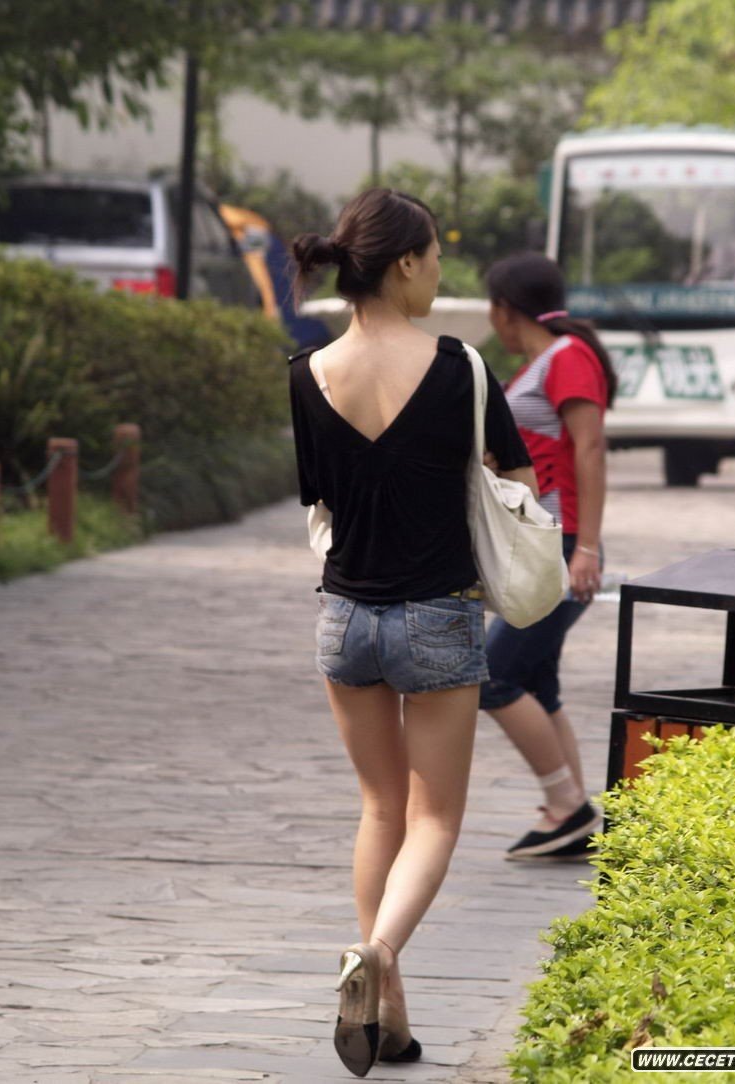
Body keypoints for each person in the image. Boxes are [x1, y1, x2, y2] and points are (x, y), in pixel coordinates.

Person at [288, 188, 536, 1077]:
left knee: (380, 808)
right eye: (433, 258)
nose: (438, 272)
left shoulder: (307, 372)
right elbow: (518, 481)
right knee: (434, 818)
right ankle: (378, 953)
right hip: (437, 614)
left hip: (344, 618)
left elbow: (321, 494)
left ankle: (387, 1017)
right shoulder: (461, 366)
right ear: (403, 264)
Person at [480, 252, 617, 860]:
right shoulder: (541, 363)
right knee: (538, 680)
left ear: (504, 309)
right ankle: (572, 814)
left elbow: (590, 449)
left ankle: (567, 805)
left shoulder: (569, 357)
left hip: (561, 544)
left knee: (491, 675)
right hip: (542, 543)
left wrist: (585, 546)